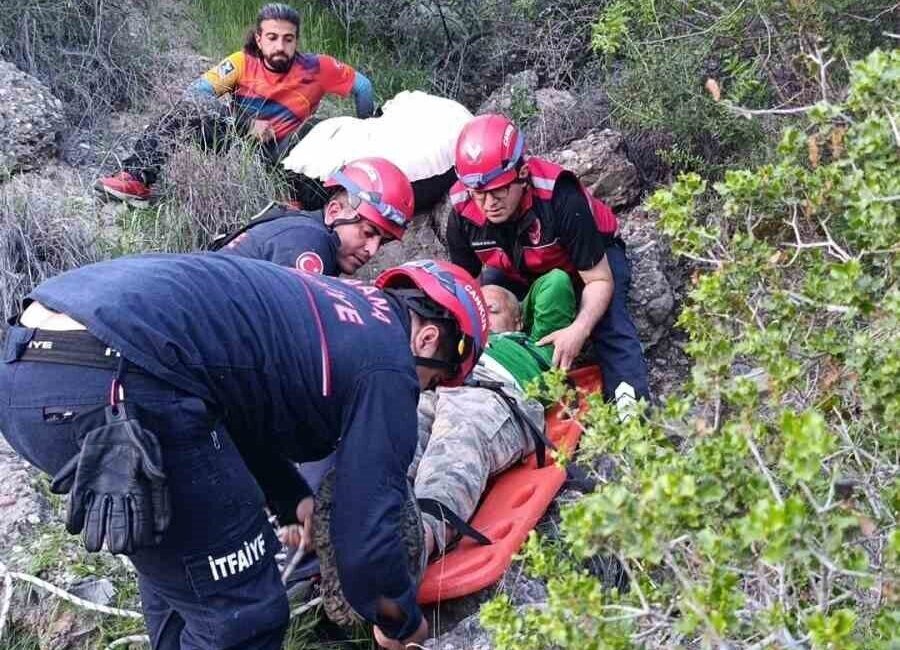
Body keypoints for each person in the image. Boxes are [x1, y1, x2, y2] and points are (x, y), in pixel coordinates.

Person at [0, 253, 488, 649]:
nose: (421, 393)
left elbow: (233, 392)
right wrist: (400, 622)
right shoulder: (389, 365)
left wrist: (289, 496)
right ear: (428, 339)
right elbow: (365, 533)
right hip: (119, 384)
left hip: (28, 371)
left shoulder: (339, 303)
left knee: (190, 579)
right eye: (434, 382)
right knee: (244, 616)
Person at [446, 113, 650, 419]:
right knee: (490, 309)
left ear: (523, 173)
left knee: (610, 324)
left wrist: (579, 329)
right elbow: (468, 290)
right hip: (520, 262)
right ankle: (506, 368)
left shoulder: (559, 197)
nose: (489, 203)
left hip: (587, 260)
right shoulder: (463, 211)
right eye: (479, 193)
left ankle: (631, 416)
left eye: (499, 190)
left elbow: (598, 281)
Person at [95, 3, 375, 206]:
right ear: (259, 39)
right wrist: (247, 124)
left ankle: (294, 199)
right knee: (186, 111)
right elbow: (197, 93)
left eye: (288, 39)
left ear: (296, 41)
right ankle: (136, 178)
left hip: (283, 151)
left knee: (319, 129)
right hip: (235, 142)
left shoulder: (318, 67)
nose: (280, 46)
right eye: (272, 38)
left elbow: (362, 87)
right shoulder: (242, 62)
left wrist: (366, 130)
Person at [213, 157, 414, 275]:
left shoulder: (295, 226)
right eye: (368, 232)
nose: (372, 250)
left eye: (382, 243)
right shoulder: (309, 240)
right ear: (334, 211)